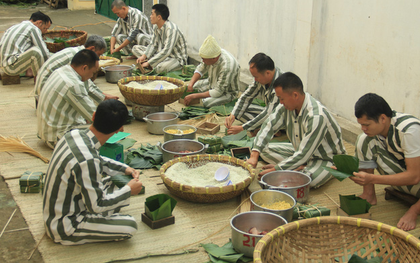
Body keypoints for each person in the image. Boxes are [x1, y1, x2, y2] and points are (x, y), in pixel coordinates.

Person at [43, 99, 143, 245]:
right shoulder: (88, 161)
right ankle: (86, 226)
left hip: (62, 207)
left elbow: (97, 159)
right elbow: (97, 205)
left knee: (115, 181)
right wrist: (129, 190)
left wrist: (125, 169)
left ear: (94, 116)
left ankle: (102, 217)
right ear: (119, 130)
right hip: (65, 226)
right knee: (129, 226)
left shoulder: (73, 134)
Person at [247, 72, 346, 188]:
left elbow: (304, 154)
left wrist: (277, 168)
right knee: (261, 149)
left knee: (307, 180)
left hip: (324, 158)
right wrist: (254, 156)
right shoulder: (285, 107)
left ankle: (303, 168)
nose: (280, 102)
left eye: (281, 98)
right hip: (300, 151)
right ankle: (297, 167)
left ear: (295, 95)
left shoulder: (316, 116)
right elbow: (268, 127)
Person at [350, 93, 420, 231]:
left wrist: (372, 178)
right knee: (363, 140)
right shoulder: (374, 134)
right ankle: (369, 195)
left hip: (415, 178)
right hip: (409, 180)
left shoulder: (408, 131)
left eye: (366, 124)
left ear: (383, 118)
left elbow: (414, 176)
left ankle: (415, 209)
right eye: (361, 124)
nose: (363, 128)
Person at [37, 49, 103, 149]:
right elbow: (94, 116)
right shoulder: (74, 85)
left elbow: (89, 89)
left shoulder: (62, 70)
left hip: (47, 132)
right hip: (57, 138)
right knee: (103, 130)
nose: (92, 76)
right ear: (84, 68)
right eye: (93, 72)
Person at [34, 35, 118, 106]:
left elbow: (87, 83)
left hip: (44, 90)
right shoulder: (77, 57)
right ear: (92, 49)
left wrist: (102, 95)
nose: (98, 58)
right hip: (44, 95)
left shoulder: (76, 51)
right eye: (99, 54)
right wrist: (103, 98)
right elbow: (84, 83)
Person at [225, 53, 283, 136]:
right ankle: (265, 128)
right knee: (240, 111)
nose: (255, 79)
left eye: (256, 76)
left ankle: (272, 128)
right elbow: (246, 96)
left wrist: (243, 128)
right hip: (269, 111)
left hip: (282, 118)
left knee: (266, 116)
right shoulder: (261, 79)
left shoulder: (281, 85)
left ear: (267, 73)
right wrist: (233, 115)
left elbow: (269, 113)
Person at [184, 35, 240, 108]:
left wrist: (195, 96)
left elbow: (218, 92)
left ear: (214, 58)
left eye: (204, 59)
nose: (202, 61)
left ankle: (230, 100)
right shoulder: (211, 54)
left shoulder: (227, 66)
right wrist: (191, 84)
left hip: (226, 92)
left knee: (207, 103)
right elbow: (200, 69)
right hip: (211, 82)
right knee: (192, 86)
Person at [133, 4, 188, 74]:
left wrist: (149, 63)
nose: (150, 16)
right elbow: (153, 45)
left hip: (175, 58)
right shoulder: (156, 27)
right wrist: (144, 56)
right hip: (161, 54)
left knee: (160, 68)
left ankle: (155, 63)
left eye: (152, 14)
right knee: (135, 48)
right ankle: (155, 62)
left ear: (159, 17)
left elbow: (167, 51)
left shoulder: (171, 29)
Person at [0, 11, 51, 77]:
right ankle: (40, 78)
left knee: (29, 44)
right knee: (36, 51)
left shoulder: (15, 27)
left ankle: (29, 72)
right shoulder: (33, 28)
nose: (46, 31)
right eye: (45, 28)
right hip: (11, 67)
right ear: (39, 22)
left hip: (3, 64)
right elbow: (44, 52)